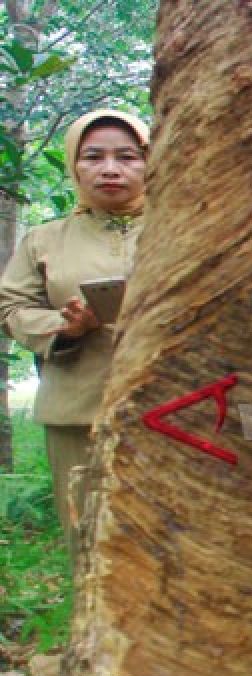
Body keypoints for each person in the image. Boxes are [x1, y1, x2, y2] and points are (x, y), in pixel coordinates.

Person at [0, 109, 149, 559]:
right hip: (77, 411)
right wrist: (63, 327)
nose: (110, 169)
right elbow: (11, 305)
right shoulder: (45, 240)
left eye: (126, 156)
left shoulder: (186, 226)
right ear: (74, 165)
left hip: (175, 406)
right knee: (89, 536)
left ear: (150, 162)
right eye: (93, 156)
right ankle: (92, 628)